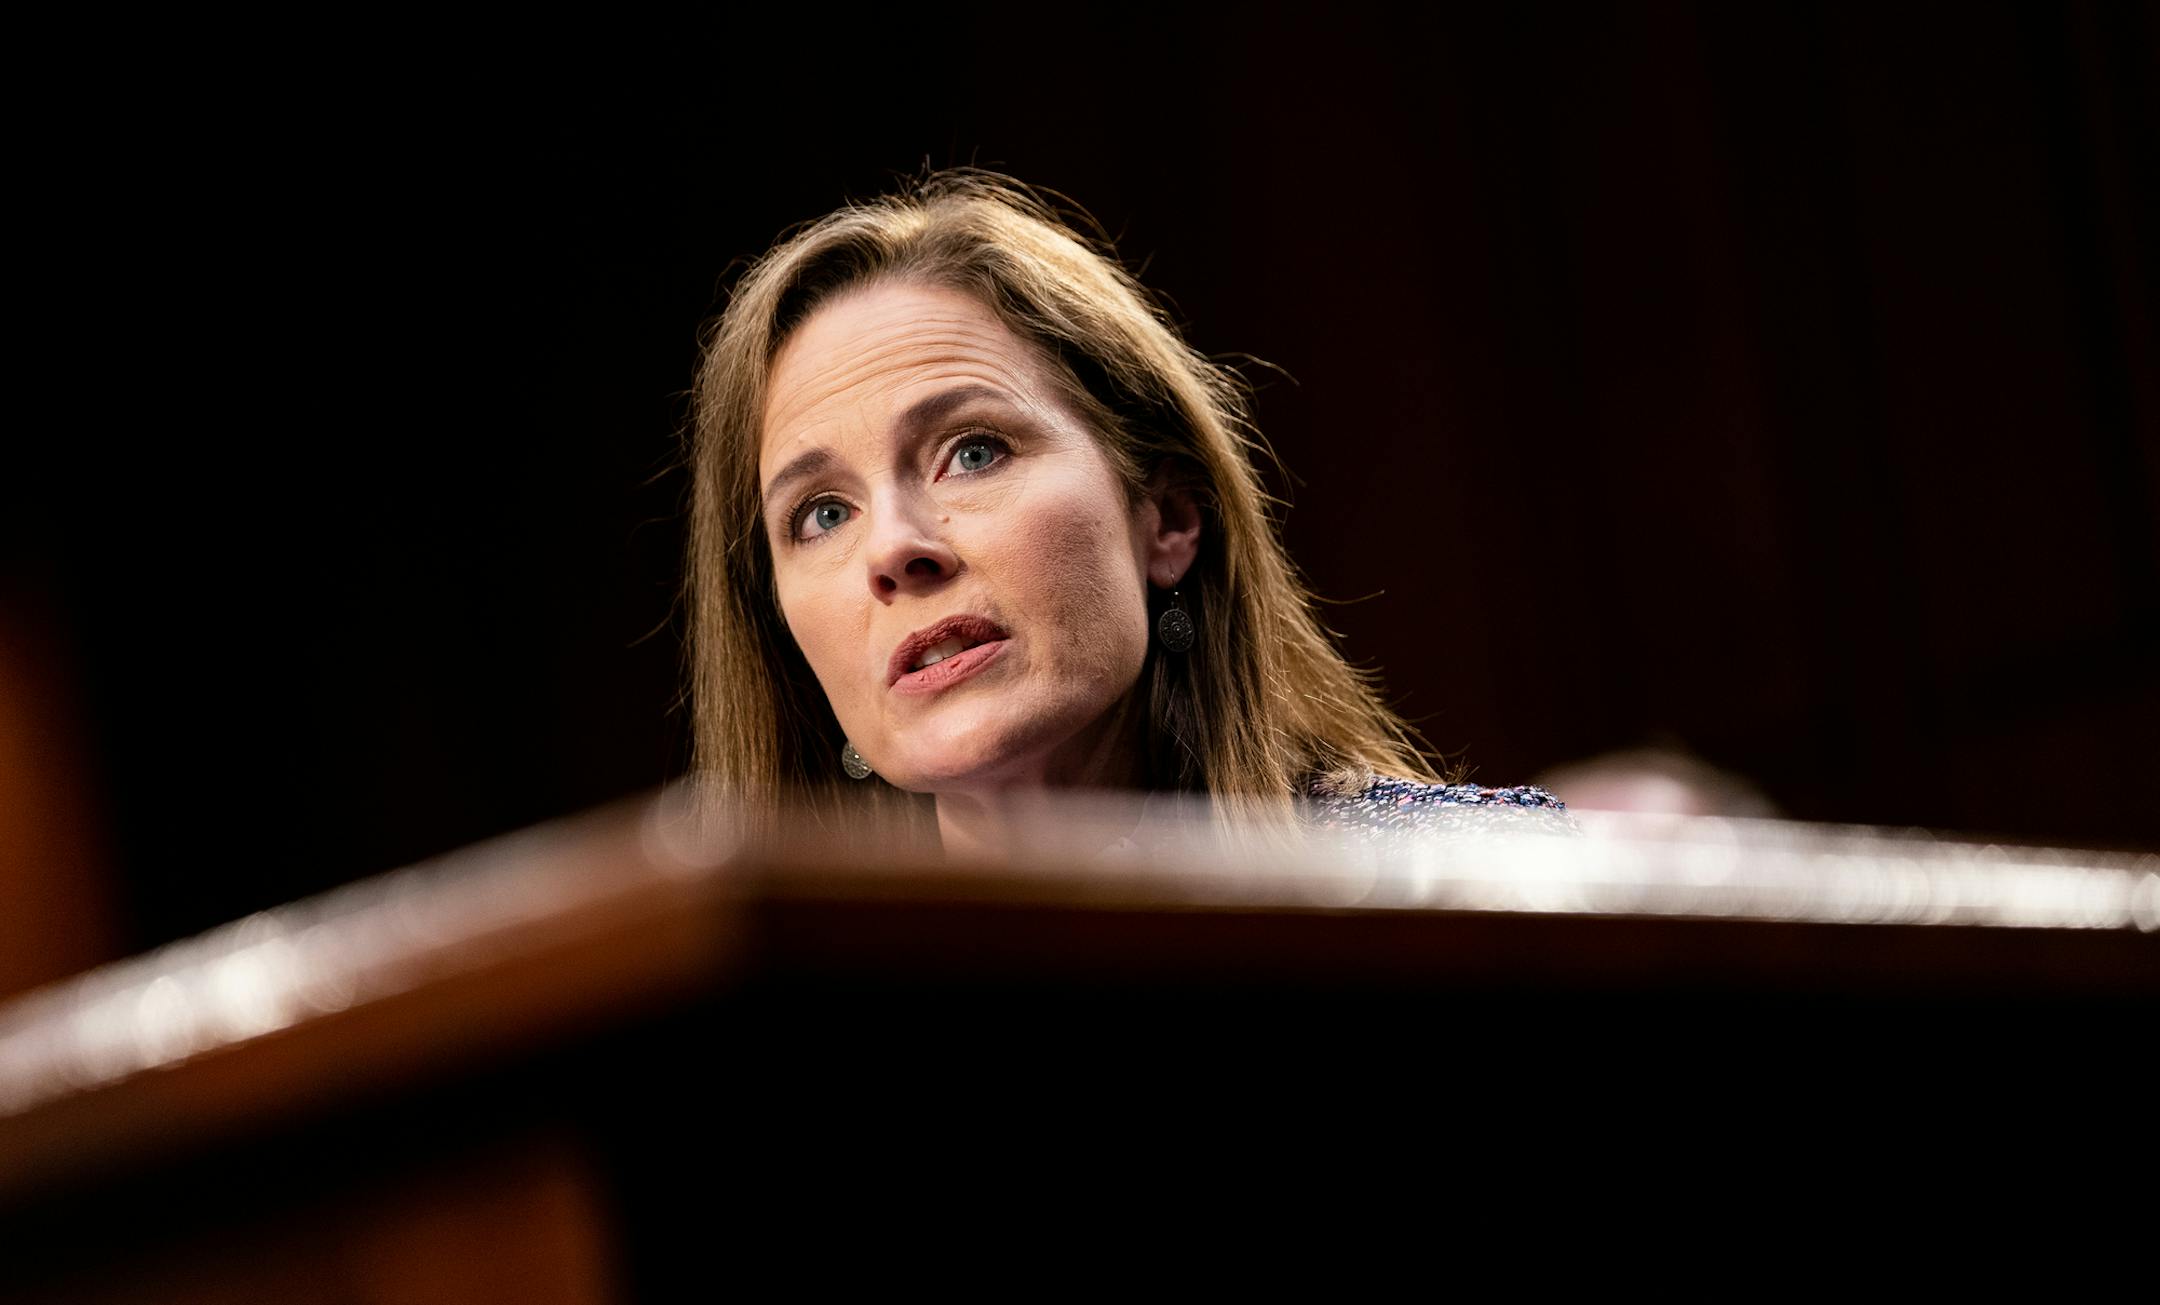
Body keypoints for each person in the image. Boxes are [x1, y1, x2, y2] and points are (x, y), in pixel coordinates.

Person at [687, 170, 1562, 859]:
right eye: (822, 513)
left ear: (1169, 519)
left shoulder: (1476, 885)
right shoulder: (740, 1027)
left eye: (974, 452)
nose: (894, 548)